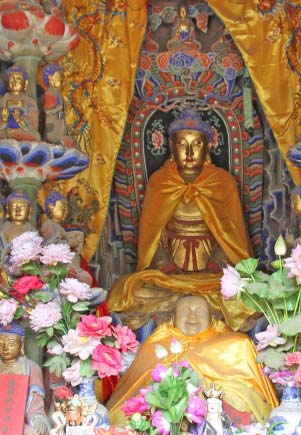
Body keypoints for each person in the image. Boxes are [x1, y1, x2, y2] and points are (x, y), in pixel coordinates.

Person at [107, 109, 254, 328]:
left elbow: (231, 238)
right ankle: (190, 302)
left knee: (248, 293)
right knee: (132, 290)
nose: (189, 152)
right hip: (168, 278)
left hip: (213, 277)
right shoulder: (160, 182)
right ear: (171, 146)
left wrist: (214, 265)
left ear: (208, 147)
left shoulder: (223, 183)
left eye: (197, 144)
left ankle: (185, 302)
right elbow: (153, 238)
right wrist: (166, 266)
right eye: (182, 144)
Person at [107, 295, 277, 425]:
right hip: (165, 418)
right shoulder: (158, 343)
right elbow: (136, 384)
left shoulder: (234, 342)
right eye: (185, 312)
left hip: (222, 410)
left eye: (200, 312)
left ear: (211, 318)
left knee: (239, 394)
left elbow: (252, 385)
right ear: (173, 318)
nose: (192, 317)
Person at [0, 65, 40, 143]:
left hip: (21, 131)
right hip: (5, 130)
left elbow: (34, 124)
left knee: (36, 137)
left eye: (18, 79)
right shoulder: (2, 100)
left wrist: (20, 120)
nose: (14, 83)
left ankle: (12, 135)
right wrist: (3, 120)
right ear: (7, 84)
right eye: (11, 79)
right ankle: (9, 135)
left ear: (25, 83)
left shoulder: (30, 102)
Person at [0, 190, 36, 267]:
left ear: (30, 209)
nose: (18, 210)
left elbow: (37, 254)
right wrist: (6, 251)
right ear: (7, 208)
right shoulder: (0, 227)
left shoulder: (33, 231)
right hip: (1, 266)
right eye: (13, 206)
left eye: (23, 206)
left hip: (24, 268)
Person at [41, 63, 76, 147]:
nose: (62, 80)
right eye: (60, 77)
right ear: (50, 78)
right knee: (62, 140)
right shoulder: (50, 92)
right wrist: (58, 110)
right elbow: (49, 109)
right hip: (53, 123)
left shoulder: (57, 93)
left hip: (59, 122)